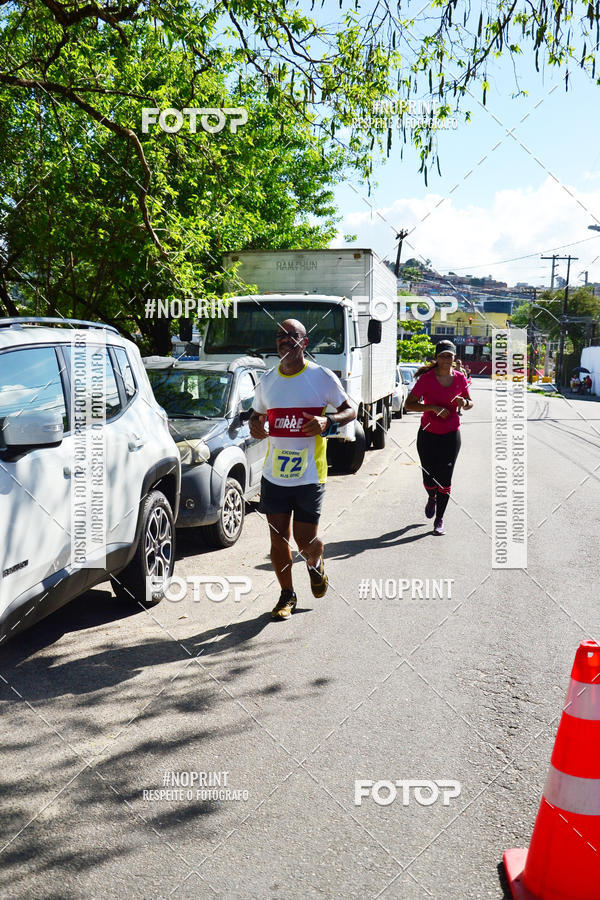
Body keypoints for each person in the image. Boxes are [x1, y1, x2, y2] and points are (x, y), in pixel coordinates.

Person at [249, 319, 356, 620]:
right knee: (278, 538)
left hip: (310, 475)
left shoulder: (321, 377)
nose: (284, 341)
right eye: (279, 337)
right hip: (274, 475)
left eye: (291, 336)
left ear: (304, 343)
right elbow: (256, 416)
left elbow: (351, 409)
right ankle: (287, 595)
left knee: (305, 541)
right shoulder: (268, 380)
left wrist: (328, 421)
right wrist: (255, 427)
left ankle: (315, 562)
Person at [404, 340, 473, 535]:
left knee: (446, 475)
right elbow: (409, 404)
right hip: (427, 433)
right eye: (442, 355)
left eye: (449, 356)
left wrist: (464, 402)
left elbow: (470, 402)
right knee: (428, 475)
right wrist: (431, 407)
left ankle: (439, 519)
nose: (446, 359)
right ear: (437, 357)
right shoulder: (426, 379)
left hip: (451, 434)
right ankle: (431, 497)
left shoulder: (460, 378)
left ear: (454, 358)